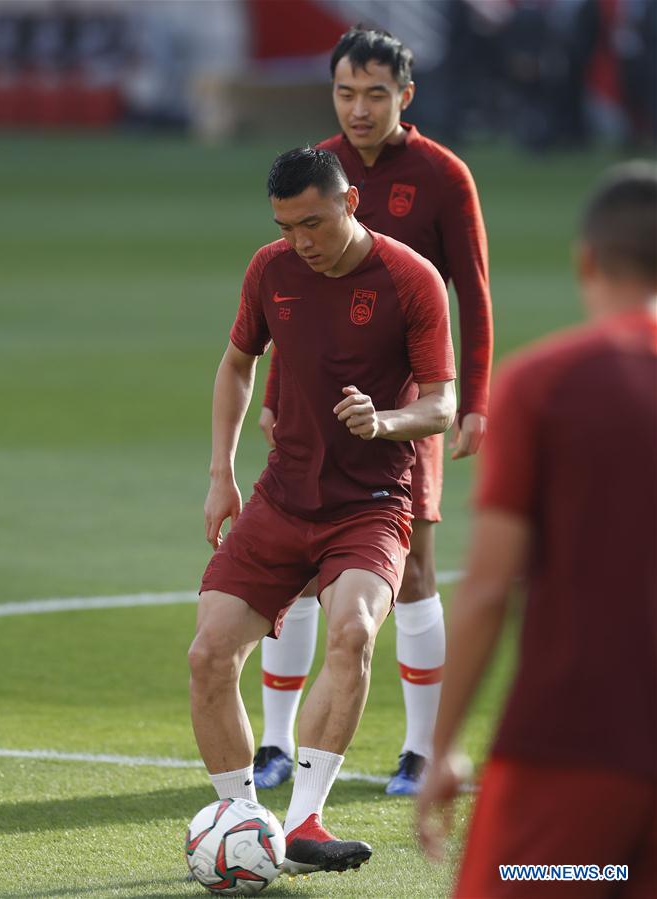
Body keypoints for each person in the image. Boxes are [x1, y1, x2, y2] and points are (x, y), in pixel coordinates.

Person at [191, 147, 456, 875]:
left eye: (312, 222)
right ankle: (243, 818)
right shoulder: (270, 268)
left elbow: (441, 401)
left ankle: (304, 818)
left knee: (351, 635)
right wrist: (222, 474)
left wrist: (386, 422)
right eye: (285, 226)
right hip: (281, 496)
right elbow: (237, 361)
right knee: (208, 654)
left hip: (369, 507)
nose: (300, 240)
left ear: (348, 204)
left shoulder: (409, 280)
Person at [254, 26, 493, 795]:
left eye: (375, 94)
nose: (359, 109)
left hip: (408, 406)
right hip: (309, 408)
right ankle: (275, 743)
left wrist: (473, 401)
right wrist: (271, 397)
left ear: (405, 96)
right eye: (345, 93)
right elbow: (279, 302)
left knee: (415, 571)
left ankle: (420, 749)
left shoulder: (442, 175)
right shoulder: (314, 170)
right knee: (290, 569)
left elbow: (472, 294)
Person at [416, 160, 657, 897]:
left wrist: (443, 745)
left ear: (584, 258)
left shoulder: (548, 383)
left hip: (571, 753)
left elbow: (489, 588)